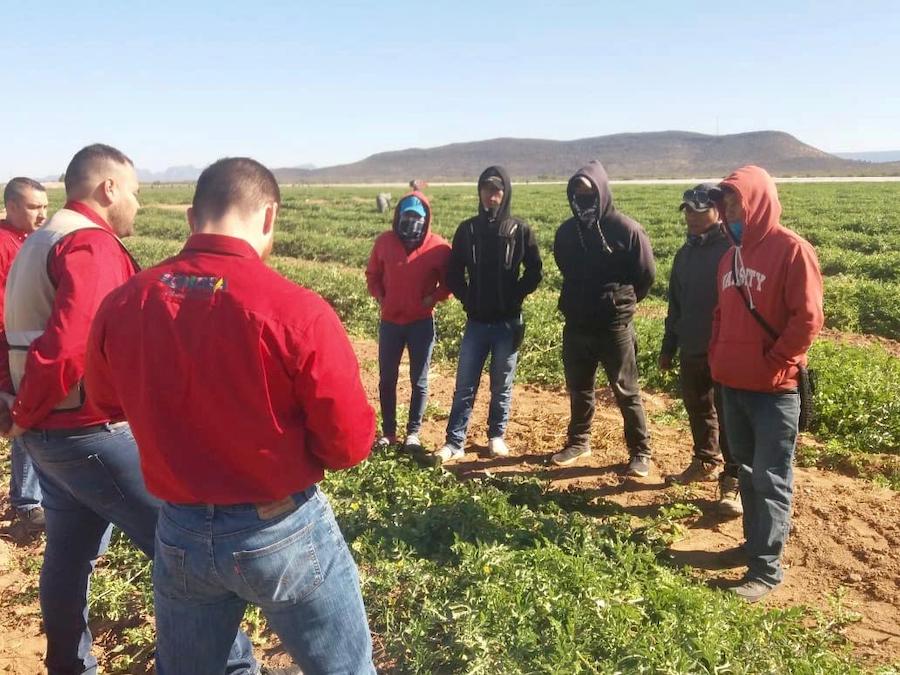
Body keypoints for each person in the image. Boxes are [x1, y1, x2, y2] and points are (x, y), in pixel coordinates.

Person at [85, 157, 377, 674]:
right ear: (269, 216)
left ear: (192, 218)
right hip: (279, 527)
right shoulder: (297, 310)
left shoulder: (125, 302)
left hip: (179, 530)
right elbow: (349, 444)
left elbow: (106, 401)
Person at [1, 145, 256, 675]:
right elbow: (73, 341)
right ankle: (233, 668)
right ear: (108, 189)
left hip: (50, 435)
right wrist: (26, 407)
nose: (137, 205)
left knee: (69, 555)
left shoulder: (39, 238)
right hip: (86, 429)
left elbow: (18, 335)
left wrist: (17, 408)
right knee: (185, 545)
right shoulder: (89, 242)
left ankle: (69, 666)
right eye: (135, 192)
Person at [708, 165, 823, 602]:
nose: (729, 210)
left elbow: (808, 319)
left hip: (774, 391)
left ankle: (766, 569)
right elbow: (720, 313)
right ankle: (752, 547)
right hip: (733, 385)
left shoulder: (792, 251)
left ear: (756, 201)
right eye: (725, 204)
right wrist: (720, 356)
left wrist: (775, 361)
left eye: (735, 202)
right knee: (747, 473)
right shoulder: (728, 257)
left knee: (771, 478)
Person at [550, 161, 656, 477]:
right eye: (577, 193)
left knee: (626, 391)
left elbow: (646, 276)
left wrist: (619, 305)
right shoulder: (567, 232)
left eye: (589, 192)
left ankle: (640, 452)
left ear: (602, 191)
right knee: (580, 387)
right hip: (577, 326)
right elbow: (564, 266)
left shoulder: (627, 230)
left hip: (614, 327)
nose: (583, 199)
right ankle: (579, 442)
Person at [432, 166, 542, 463]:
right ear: (479, 192)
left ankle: (496, 436)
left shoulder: (519, 230)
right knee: (465, 384)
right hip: (477, 323)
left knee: (501, 384)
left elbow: (535, 270)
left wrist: (515, 295)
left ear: (505, 193)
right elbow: (454, 272)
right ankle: (455, 442)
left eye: (497, 190)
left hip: (508, 323)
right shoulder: (468, 230)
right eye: (486, 189)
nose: (491, 196)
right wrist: (469, 299)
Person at [659, 183, 742, 516]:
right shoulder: (685, 253)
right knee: (698, 408)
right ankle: (705, 460)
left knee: (729, 415)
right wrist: (668, 347)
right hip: (692, 346)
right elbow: (675, 305)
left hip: (724, 349)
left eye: (700, 210)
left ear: (717, 211)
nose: (692, 218)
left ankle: (732, 478)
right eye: (688, 211)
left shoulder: (732, 250)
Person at [366, 191, 451, 449]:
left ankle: (413, 433)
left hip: (420, 323)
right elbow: (372, 274)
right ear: (398, 216)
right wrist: (381, 296)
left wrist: (433, 298)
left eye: (416, 217)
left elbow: (450, 280)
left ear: (425, 219)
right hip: (391, 322)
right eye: (407, 216)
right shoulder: (385, 242)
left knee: (419, 379)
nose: (411, 221)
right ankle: (389, 432)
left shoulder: (438, 247)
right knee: (387, 378)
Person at [0, 177, 48, 529]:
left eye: (45, 206)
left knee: (25, 418)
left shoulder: (33, 240)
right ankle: (28, 502)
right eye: (34, 207)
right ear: (11, 206)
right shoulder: (3, 244)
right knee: (23, 419)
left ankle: (28, 498)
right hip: (7, 346)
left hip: (24, 345)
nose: (42, 214)